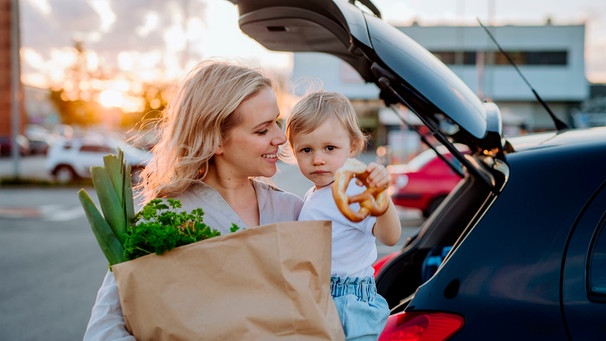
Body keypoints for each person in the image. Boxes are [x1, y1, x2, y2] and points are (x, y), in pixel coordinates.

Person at [83, 59, 304, 340]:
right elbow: (104, 328)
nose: (280, 138)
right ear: (215, 141)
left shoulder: (293, 210)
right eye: (262, 130)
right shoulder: (163, 217)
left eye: (277, 123)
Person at [285, 91, 402, 340]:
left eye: (329, 148)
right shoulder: (313, 195)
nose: (317, 159)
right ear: (294, 153)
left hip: (351, 303)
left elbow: (391, 236)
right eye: (306, 150)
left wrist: (382, 199)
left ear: (352, 146)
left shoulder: (354, 190)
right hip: (321, 297)